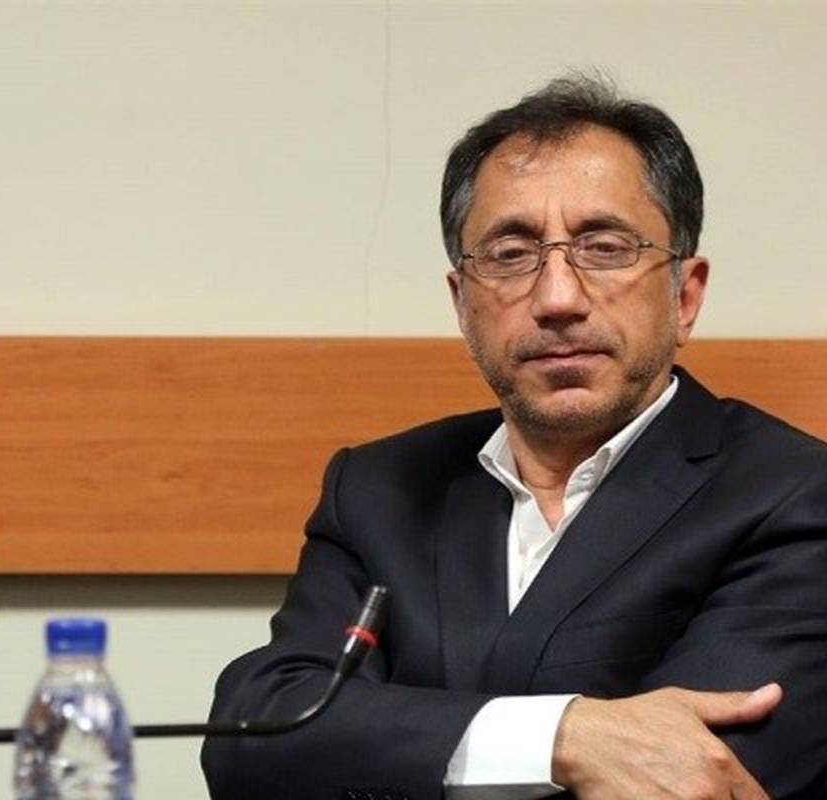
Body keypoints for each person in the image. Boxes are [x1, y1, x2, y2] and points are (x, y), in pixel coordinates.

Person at [200, 74, 827, 800]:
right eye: (510, 255)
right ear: (462, 303)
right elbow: (258, 734)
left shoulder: (793, 495)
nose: (557, 298)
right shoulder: (377, 490)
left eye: (604, 247)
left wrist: (405, 747)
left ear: (684, 295)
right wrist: (564, 739)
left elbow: (693, 779)